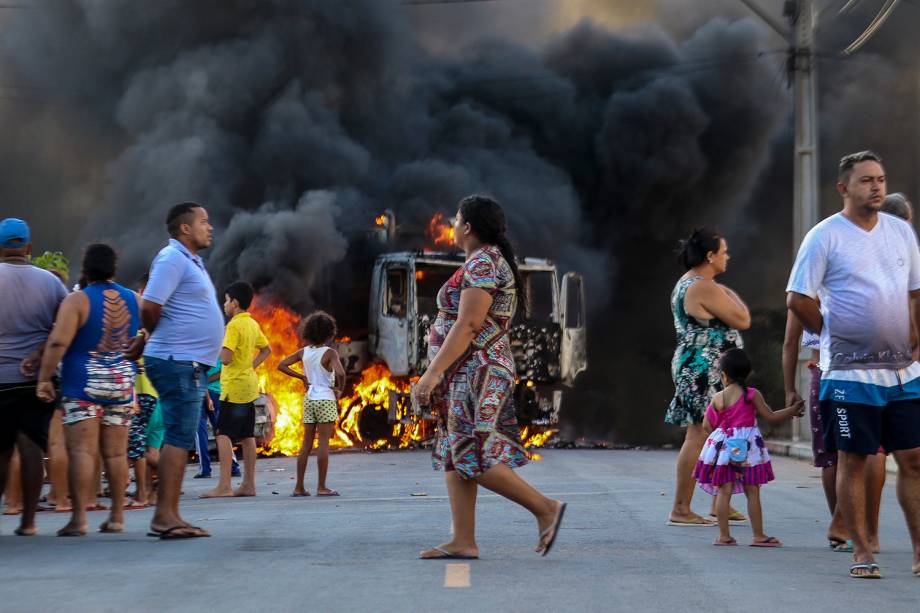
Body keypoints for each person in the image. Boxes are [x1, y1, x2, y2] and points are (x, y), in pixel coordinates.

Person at [787, 150, 920, 579]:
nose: (877, 186)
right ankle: (863, 550)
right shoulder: (824, 236)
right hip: (848, 373)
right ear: (844, 188)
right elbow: (798, 298)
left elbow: (915, 292)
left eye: (880, 179)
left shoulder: (901, 233)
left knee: (914, 457)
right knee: (855, 458)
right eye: (866, 180)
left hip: (902, 371)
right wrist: (830, 333)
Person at [413, 195, 565, 559]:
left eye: (455, 219)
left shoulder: (483, 263)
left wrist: (431, 375)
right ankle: (463, 540)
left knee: (472, 454)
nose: (451, 224)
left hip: (476, 370)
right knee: (455, 452)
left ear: (468, 226)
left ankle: (545, 508)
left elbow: (468, 324)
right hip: (467, 371)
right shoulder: (484, 260)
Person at [126, 202, 224, 539]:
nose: (209, 227)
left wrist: (145, 337)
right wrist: (149, 334)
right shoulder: (171, 258)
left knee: (180, 439)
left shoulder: (188, 261)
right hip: (176, 360)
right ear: (185, 228)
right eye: (203, 221)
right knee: (179, 438)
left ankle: (171, 514)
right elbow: (150, 305)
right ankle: (164, 517)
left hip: (184, 360)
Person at [36, 244, 140, 536]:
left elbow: (57, 342)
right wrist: (142, 338)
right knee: (117, 455)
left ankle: (79, 519)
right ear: (113, 268)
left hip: (83, 385)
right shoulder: (134, 299)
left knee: (82, 451)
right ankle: (117, 516)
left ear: (86, 267)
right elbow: (158, 317)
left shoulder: (77, 301)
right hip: (121, 384)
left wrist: (44, 378)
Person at [783, 308, 887, 552]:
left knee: (831, 453)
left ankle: (845, 529)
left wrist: (790, 389)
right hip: (876, 369)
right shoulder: (871, 279)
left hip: (828, 370)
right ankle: (870, 534)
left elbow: (790, 342)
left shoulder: (809, 285)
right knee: (874, 447)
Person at [666, 228, 750, 526]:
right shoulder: (703, 286)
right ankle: (680, 508)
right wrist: (728, 292)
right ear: (710, 256)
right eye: (723, 251)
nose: (728, 257)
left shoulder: (691, 282)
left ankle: (719, 501)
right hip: (703, 368)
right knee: (699, 434)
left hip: (701, 364)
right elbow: (742, 318)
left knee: (720, 431)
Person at [694, 348, 804, 546]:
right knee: (752, 492)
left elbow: (706, 426)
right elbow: (771, 417)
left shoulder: (718, 398)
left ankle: (723, 536)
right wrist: (792, 411)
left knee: (723, 491)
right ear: (747, 373)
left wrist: (722, 431)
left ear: (724, 375)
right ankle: (759, 535)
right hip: (748, 448)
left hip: (725, 449)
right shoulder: (752, 395)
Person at [0, 218, 68, 535]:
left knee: (0, 452)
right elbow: (65, 328)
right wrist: (40, 352)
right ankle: (28, 522)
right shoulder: (52, 283)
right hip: (37, 381)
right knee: (31, 450)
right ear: (28, 248)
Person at [200, 281, 270, 498]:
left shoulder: (232, 326)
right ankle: (249, 484)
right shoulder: (252, 324)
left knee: (222, 434)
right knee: (248, 435)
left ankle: (224, 486)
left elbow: (226, 359)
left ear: (235, 303)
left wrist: (220, 346)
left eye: (226, 300)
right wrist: (250, 366)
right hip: (249, 385)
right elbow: (266, 350)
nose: (224, 304)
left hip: (234, 388)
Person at [278, 311, 345, 497]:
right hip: (326, 399)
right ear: (330, 333)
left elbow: (281, 365)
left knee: (306, 444)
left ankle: (298, 487)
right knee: (323, 443)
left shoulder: (303, 352)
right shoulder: (330, 353)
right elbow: (340, 374)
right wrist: (340, 389)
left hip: (309, 400)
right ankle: (321, 487)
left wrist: (302, 377)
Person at [194, 362, 241, 479]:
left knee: (200, 431)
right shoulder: (221, 349)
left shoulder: (199, 349)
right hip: (218, 393)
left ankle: (205, 469)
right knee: (221, 432)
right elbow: (224, 372)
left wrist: (204, 385)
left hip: (201, 393)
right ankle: (233, 467)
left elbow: (199, 374)